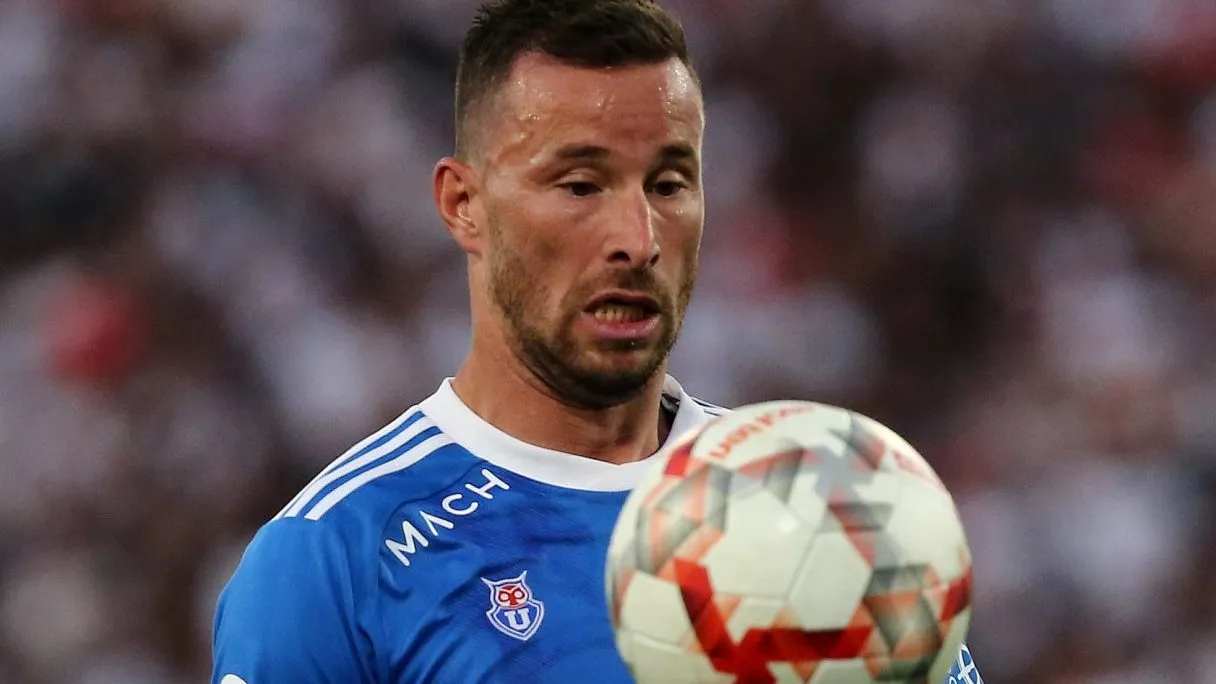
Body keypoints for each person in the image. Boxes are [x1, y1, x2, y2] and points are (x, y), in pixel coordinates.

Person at [210, 1, 985, 682]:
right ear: (463, 204)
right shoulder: (338, 561)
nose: (637, 239)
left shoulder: (831, 511)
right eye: (581, 185)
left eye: (670, 184)